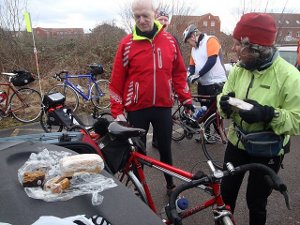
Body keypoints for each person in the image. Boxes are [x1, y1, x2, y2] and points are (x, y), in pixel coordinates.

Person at [217, 13, 300, 225]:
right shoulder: (238, 70)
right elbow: (222, 98)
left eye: (238, 44)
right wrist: (224, 105)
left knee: (256, 200)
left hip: (268, 150)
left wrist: (268, 114)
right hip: (236, 143)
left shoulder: (290, 76)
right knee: (225, 195)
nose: (234, 48)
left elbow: (297, 120)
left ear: (256, 49)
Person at [109, 0, 193, 196]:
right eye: (136, 16)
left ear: (154, 13)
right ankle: (139, 189)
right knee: (138, 152)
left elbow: (179, 73)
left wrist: (186, 98)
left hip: (163, 106)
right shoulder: (127, 44)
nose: (141, 20)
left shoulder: (170, 41)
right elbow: (115, 82)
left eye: (145, 15)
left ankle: (170, 185)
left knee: (165, 149)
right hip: (137, 108)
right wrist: (117, 111)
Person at [183, 24, 227, 108]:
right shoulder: (193, 49)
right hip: (203, 84)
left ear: (192, 36)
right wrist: (187, 76)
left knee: (215, 113)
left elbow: (211, 61)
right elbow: (192, 67)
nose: (190, 44)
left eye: (188, 41)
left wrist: (198, 75)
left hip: (216, 83)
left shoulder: (210, 40)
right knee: (204, 112)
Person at [151, 9, 170, 149]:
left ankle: (157, 141)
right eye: (161, 19)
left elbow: (177, 66)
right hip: (146, 92)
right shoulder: (149, 37)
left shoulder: (171, 40)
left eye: (165, 20)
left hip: (164, 92)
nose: (163, 22)